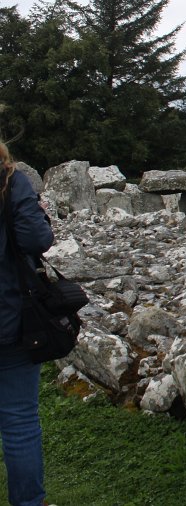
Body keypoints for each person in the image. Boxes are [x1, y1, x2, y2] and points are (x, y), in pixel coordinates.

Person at [0, 141, 54, 506]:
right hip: (10, 315)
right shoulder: (10, 181)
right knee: (19, 421)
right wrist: (40, 216)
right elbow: (37, 239)